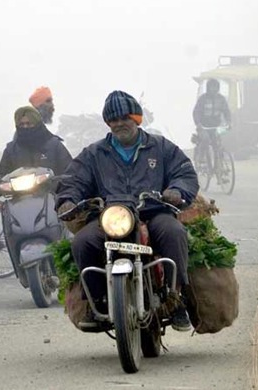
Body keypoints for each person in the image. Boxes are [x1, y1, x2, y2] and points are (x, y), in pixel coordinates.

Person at [55, 90, 198, 332]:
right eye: (113, 120)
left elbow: (184, 172)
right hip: (110, 216)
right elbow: (73, 181)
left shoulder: (161, 147)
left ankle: (176, 299)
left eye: (124, 118)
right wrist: (68, 200)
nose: (119, 124)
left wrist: (176, 190)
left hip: (152, 212)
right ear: (108, 123)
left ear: (137, 119)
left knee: (174, 232)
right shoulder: (94, 153)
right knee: (82, 242)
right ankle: (96, 301)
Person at [0, 106, 72, 178]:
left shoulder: (55, 145)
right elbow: (2, 176)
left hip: (52, 189)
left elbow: (70, 172)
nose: (25, 127)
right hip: (19, 190)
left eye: (29, 123)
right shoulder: (11, 149)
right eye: (21, 124)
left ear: (37, 124)